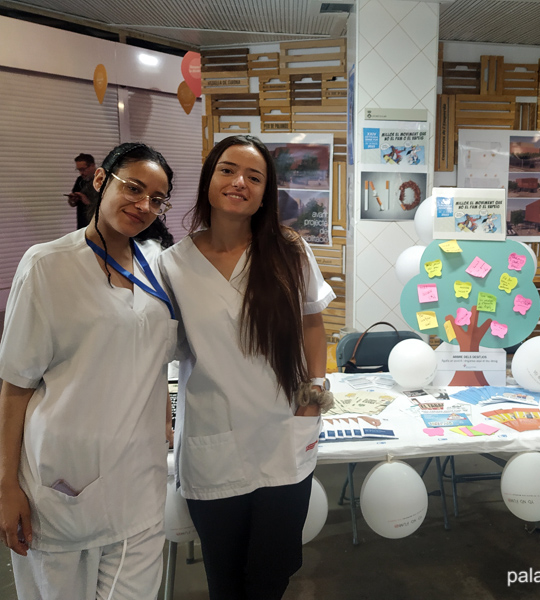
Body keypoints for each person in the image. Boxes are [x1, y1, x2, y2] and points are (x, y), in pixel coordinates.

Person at [158, 135, 334, 599]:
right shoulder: (171, 265)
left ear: (265, 193)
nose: (240, 182)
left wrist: (314, 397)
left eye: (254, 177)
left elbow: (314, 324)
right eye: (228, 170)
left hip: (284, 436)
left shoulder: (289, 251)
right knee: (224, 578)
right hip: (214, 442)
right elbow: (159, 349)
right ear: (208, 179)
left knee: (272, 575)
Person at [0, 142, 177, 599]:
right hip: (62, 487)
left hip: (138, 486)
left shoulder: (156, 269)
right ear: (101, 181)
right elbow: (16, 386)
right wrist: (6, 487)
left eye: (157, 199)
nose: (144, 206)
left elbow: (151, 359)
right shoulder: (46, 266)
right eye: (133, 188)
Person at [68, 153, 101, 229]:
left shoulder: (102, 181)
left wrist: (87, 201)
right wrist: (72, 200)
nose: (81, 173)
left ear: (92, 165)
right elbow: (73, 204)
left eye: (83, 169)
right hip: (82, 225)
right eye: (79, 170)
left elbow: (106, 207)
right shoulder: (80, 180)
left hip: (97, 225)